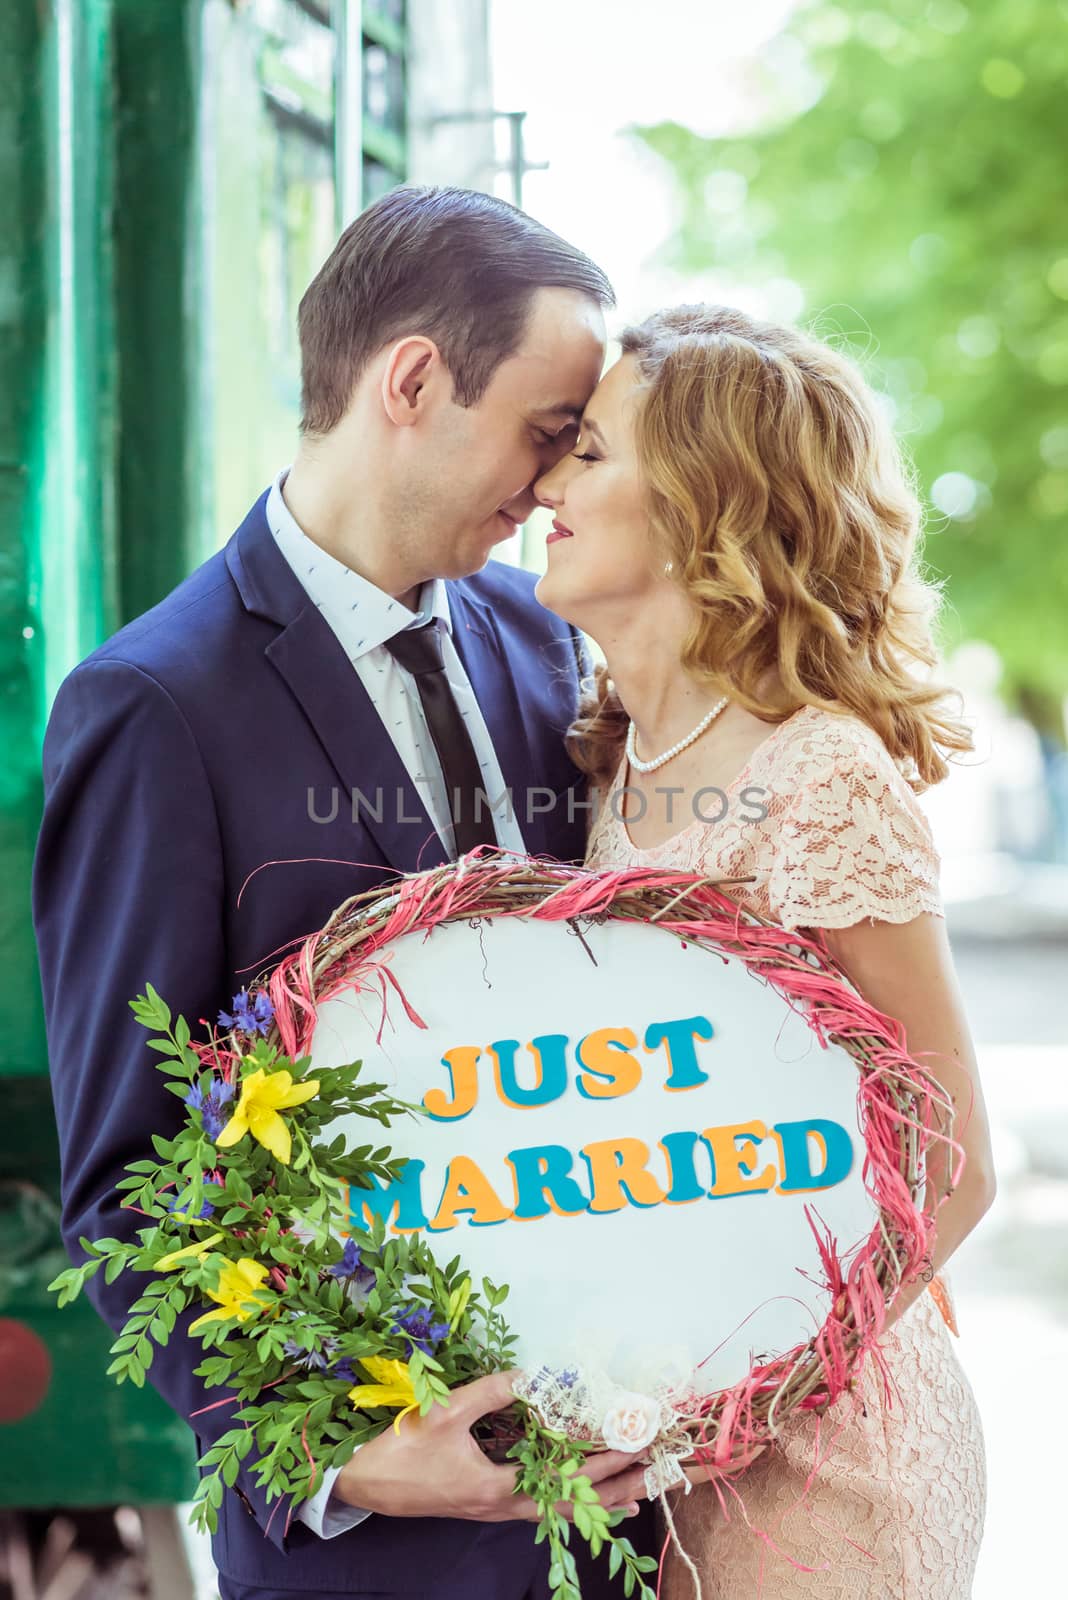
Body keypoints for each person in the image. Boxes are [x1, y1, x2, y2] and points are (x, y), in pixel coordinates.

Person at [32, 186, 655, 1600]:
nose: (559, 483)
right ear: (416, 381)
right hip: (380, 1559)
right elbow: (132, 1179)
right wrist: (351, 1460)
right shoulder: (154, 707)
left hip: (625, 1519)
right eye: (549, 431)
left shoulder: (543, 637)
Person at [534, 304, 995, 1599]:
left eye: (591, 453)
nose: (548, 486)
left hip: (830, 1458)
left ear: (700, 505)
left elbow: (955, 1167)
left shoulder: (821, 774)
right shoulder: (624, 758)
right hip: (670, 1456)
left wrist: (728, 1398)